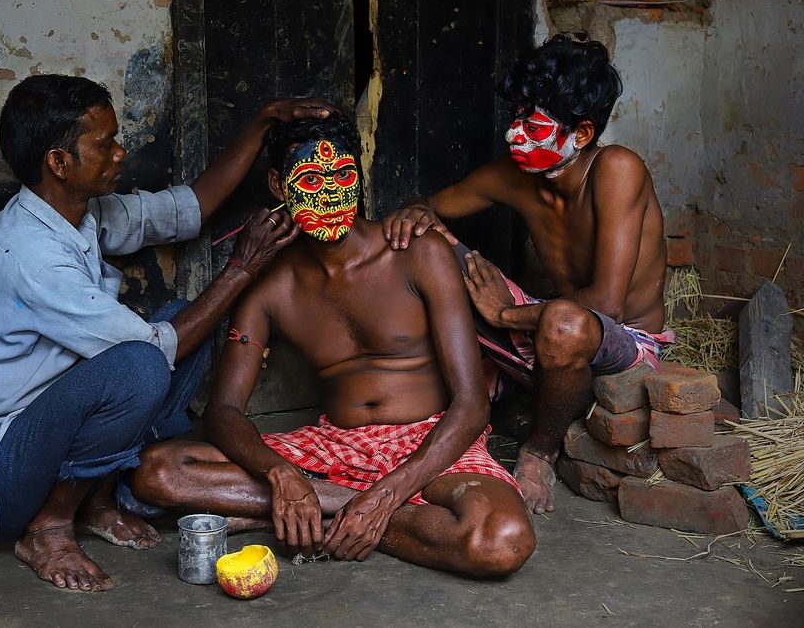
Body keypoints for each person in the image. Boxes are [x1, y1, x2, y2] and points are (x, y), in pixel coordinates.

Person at [0, 74, 335, 592]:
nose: (120, 153)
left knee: (182, 315)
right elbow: (148, 352)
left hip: (49, 427)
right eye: (104, 144)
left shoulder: (79, 214)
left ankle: (96, 499)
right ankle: (48, 527)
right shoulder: (29, 255)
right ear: (58, 162)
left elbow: (187, 208)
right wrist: (242, 267)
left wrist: (260, 126)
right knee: (142, 362)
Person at [132, 114, 536, 577]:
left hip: (428, 441)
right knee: (157, 471)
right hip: (333, 448)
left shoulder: (418, 253)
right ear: (278, 185)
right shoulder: (270, 289)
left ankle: (327, 514)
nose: (327, 194)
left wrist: (387, 494)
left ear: (358, 175)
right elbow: (224, 412)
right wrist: (281, 476)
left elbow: (471, 404)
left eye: (341, 174)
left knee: (501, 543)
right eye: (308, 178)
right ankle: (340, 510)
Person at [382, 34, 673, 515]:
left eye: (531, 121)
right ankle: (434, 413)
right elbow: (426, 206)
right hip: (546, 329)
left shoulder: (617, 169)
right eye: (515, 116)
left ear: (580, 134)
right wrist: (412, 218)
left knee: (564, 323)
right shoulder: (514, 176)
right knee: (426, 245)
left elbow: (606, 304)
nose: (513, 133)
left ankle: (540, 450)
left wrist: (506, 312)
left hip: (622, 341)